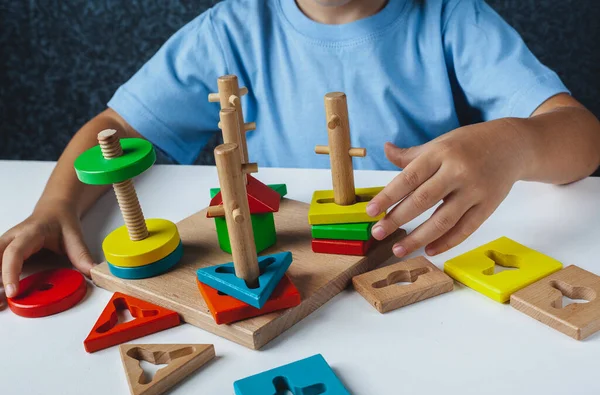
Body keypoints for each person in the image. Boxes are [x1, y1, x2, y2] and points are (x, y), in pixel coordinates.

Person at [1, 0, 599, 299]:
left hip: (414, 276)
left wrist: (516, 142)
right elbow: (116, 129)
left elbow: (582, 138)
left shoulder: (452, 18)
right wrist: (56, 204)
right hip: (287, 276)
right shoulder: (231, 29)